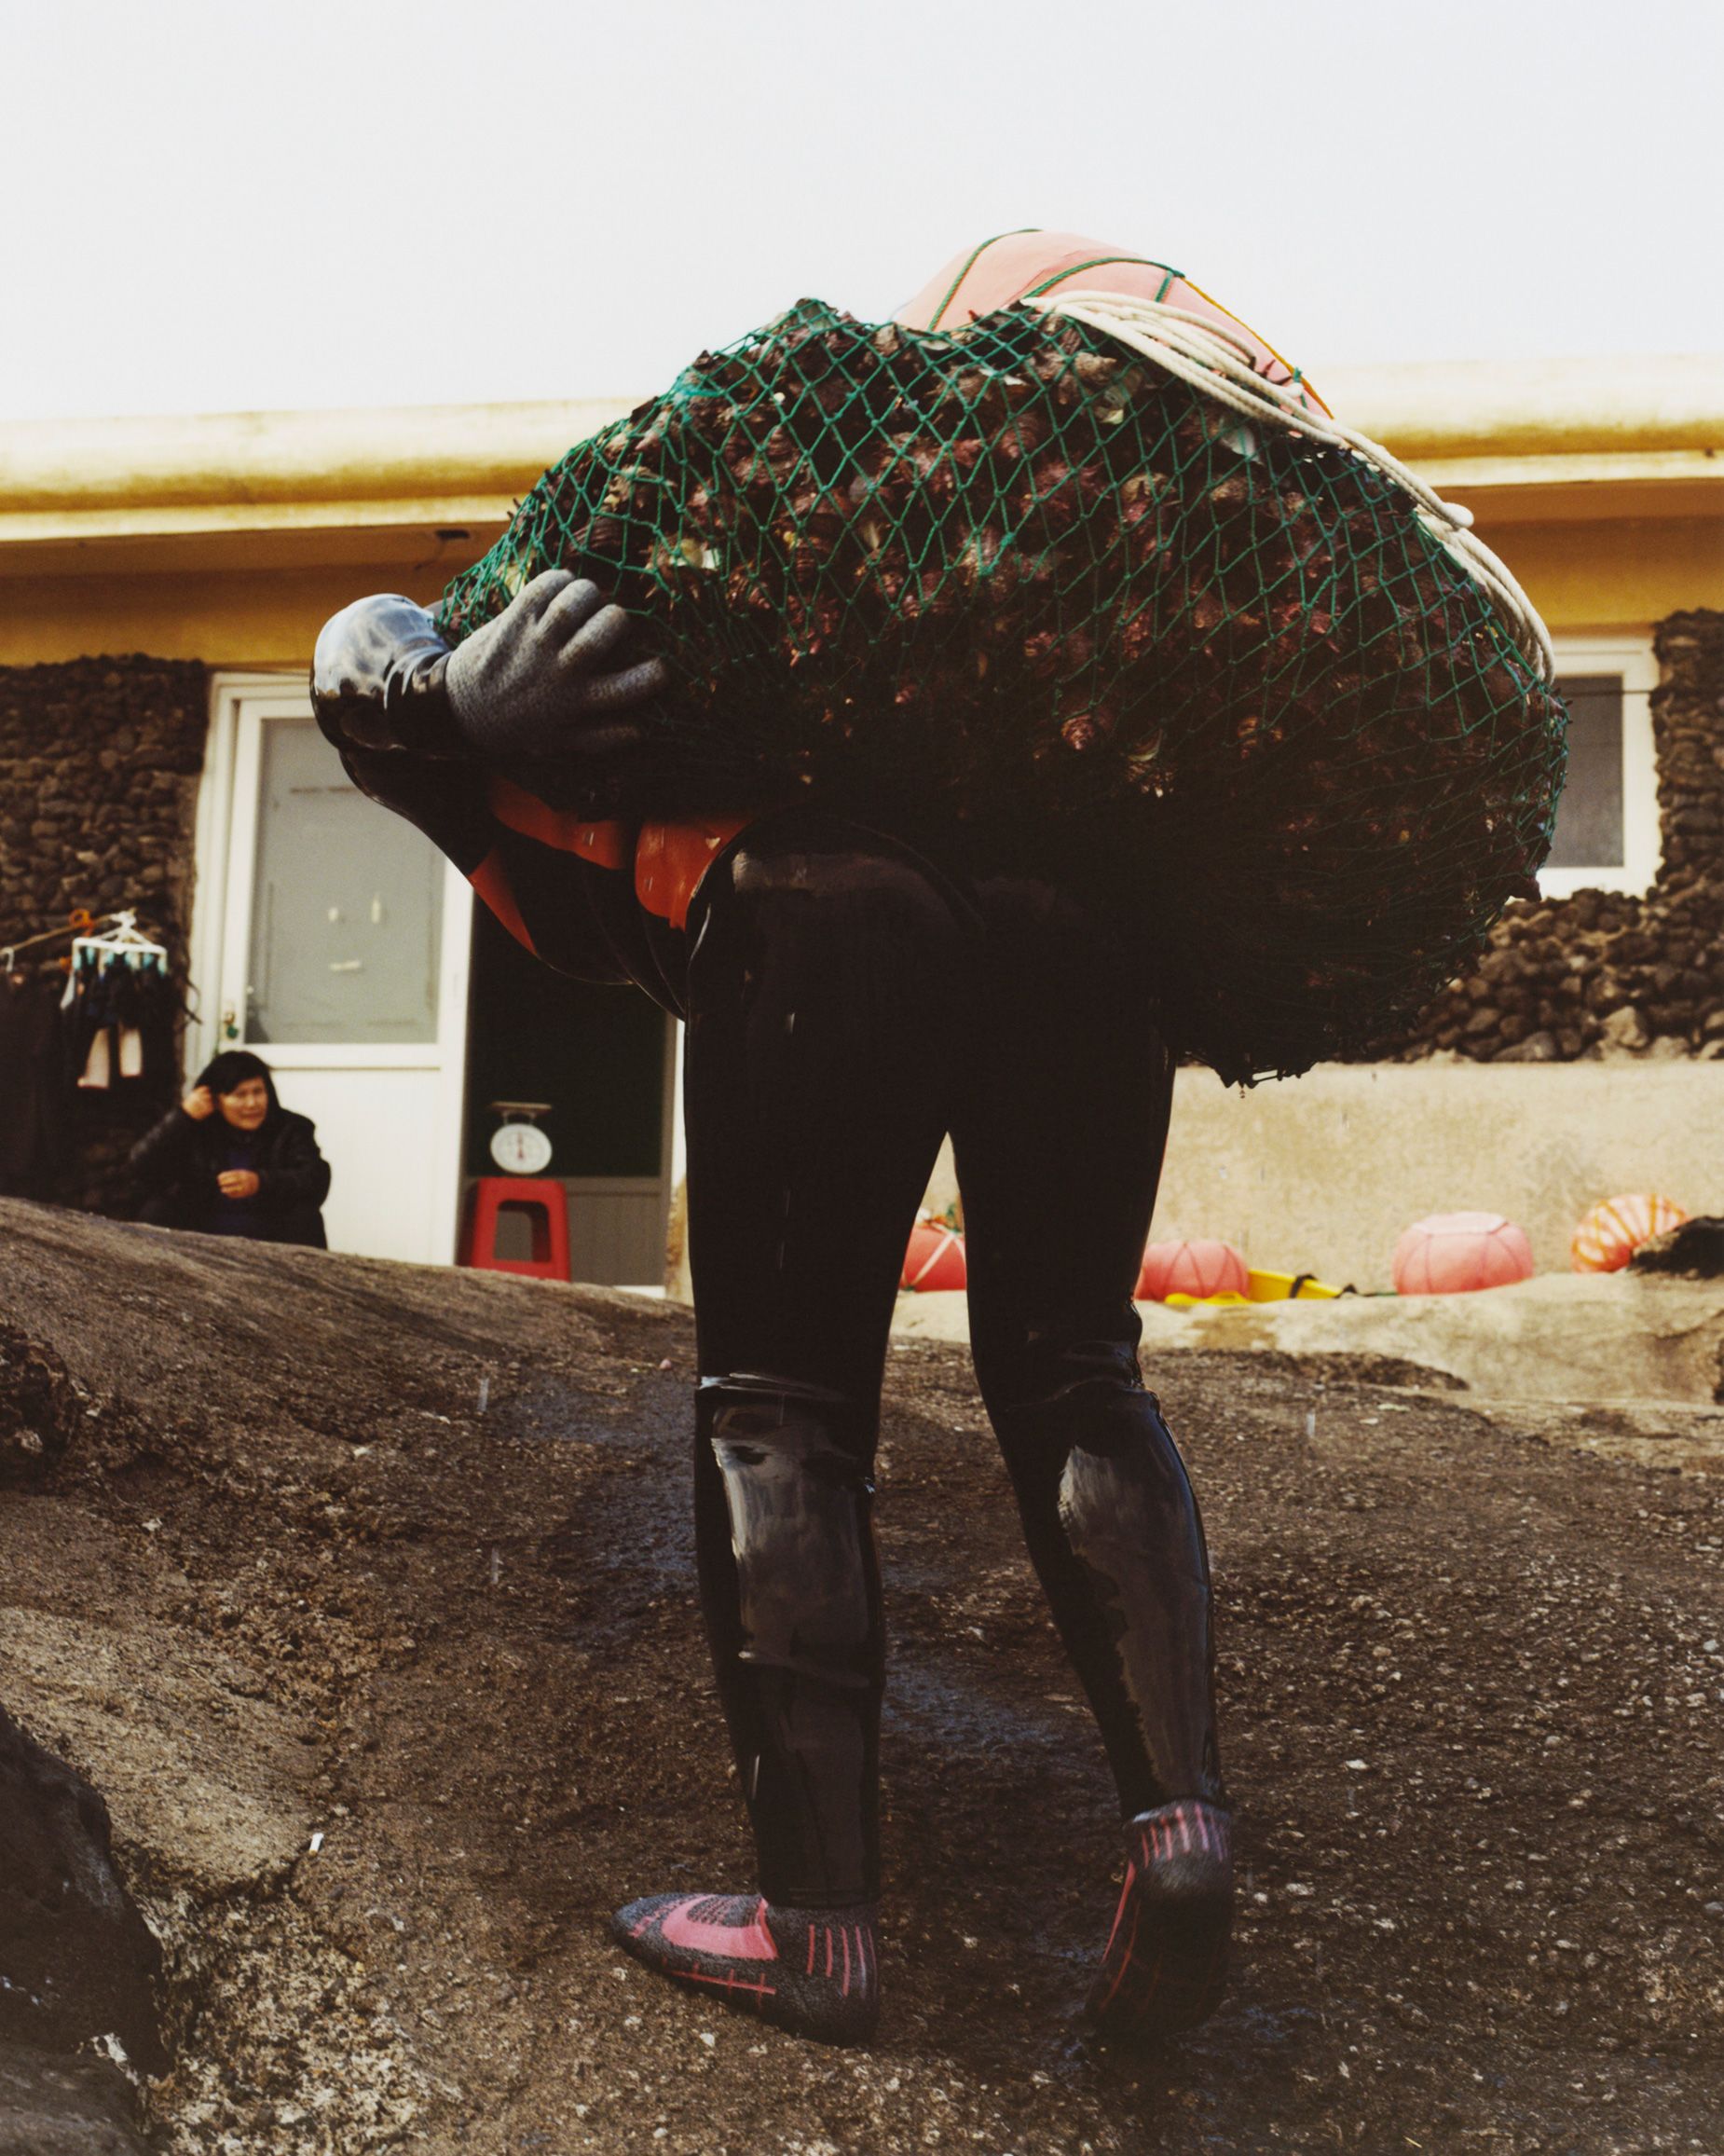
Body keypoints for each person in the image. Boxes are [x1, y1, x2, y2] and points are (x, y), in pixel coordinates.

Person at [309, 235, 1256, 2049]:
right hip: (1092, 922)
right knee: (1075, 1367)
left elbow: (359, 650)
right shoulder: (1046, 608)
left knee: (780, 1401)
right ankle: (1185, 1832)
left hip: (827, 910)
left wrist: (448, 703)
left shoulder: (766, 580)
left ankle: (814, 1930)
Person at [130, 1050, 331, 1248]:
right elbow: (140, 1169)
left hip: (270, 1234)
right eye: (240, 1095)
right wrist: (182, 1117)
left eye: (258, 1092)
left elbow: (315, 1179)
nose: (252, 1103)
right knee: (157, 1210)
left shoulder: (292, 1128)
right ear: (215, 1100)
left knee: (306, 1217)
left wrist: (261, 1182)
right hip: (203, 1234)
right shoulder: (195, 1128)